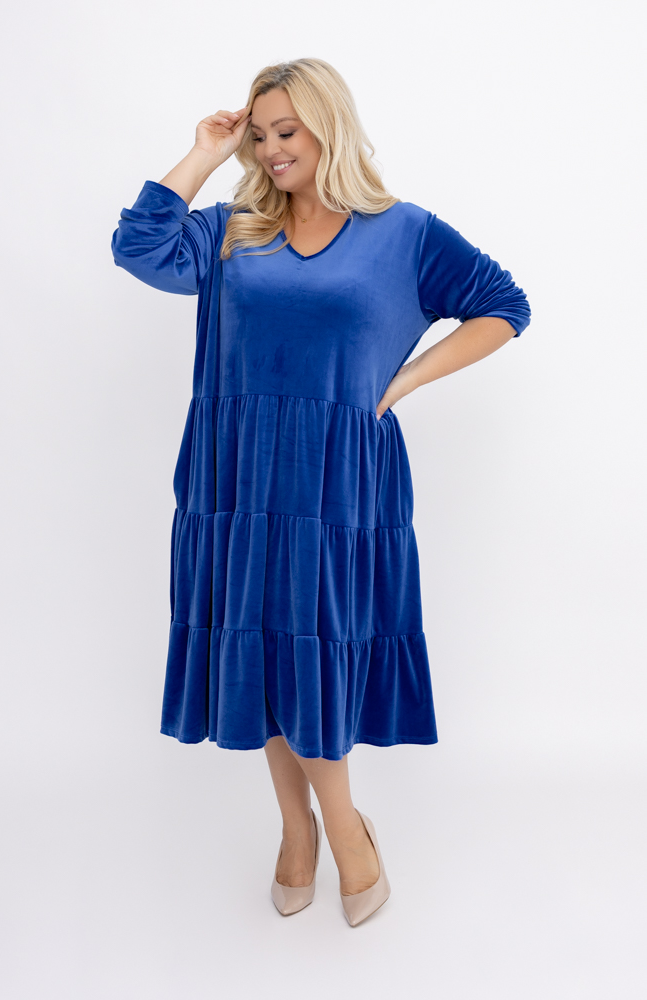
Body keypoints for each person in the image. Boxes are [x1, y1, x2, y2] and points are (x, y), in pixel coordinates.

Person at [111, 57, 531, 927]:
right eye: (259, 136)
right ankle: (299, 827)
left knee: (311, 650)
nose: (271, 149)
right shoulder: (232, 230)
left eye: (286, 131)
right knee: (264, 648)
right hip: (235, 471)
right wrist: (205, 152)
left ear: (327, 126)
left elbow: (503, 305)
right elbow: (137, 248)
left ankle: (341, 829)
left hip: (337, 477)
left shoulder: (402, 232)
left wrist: (401, 381)